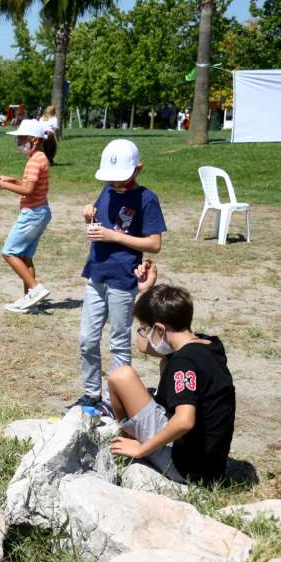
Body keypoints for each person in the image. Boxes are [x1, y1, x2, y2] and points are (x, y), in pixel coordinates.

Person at [107, 261, 236, 485]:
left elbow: (185, 421)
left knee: (120, 376)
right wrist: (146, 292)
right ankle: (141, 439)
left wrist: (141, 450)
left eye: (145, 329)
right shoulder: (209, 345)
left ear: (159, 329)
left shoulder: (183, 362)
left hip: (186, 468)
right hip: (211, 465)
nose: (144, 336)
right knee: (165, 363)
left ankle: (131, 441)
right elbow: (146, 347)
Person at [66, 139, 167, 414]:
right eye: (111, 180)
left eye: (121, 179)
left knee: (118, 341)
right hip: (97, 272)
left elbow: (154, 243)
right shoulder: (107, 188)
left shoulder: (147, 199)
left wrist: (113, 236)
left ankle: (117, 400)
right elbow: (100, 227)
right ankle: (91, 394)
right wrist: (89, 219)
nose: (116, 185)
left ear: (139, 169)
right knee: (87, 339)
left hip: (123, 278)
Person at [0, 119, 52, 313]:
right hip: (41, 212)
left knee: (9, 252)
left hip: (32, 214)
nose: (19, 142)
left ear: (34, 140)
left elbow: (27, 190)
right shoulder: (40, 158)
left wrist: (4, 185)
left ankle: (36, 289)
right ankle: (31, 301)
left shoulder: (35, 160)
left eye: (21, 139)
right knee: (25, 257)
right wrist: (13, 180)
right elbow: (30, 184)